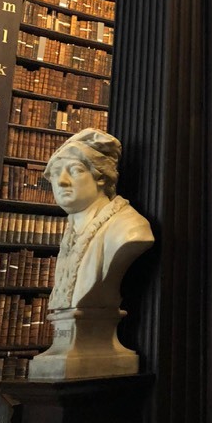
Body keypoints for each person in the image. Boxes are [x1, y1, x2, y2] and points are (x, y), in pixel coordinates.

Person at [43, 128, 154, 311]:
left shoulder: (129, 229)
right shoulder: (72, 233)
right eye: (55, 173)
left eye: (75, 170)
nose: (61, 181)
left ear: (101, 177)